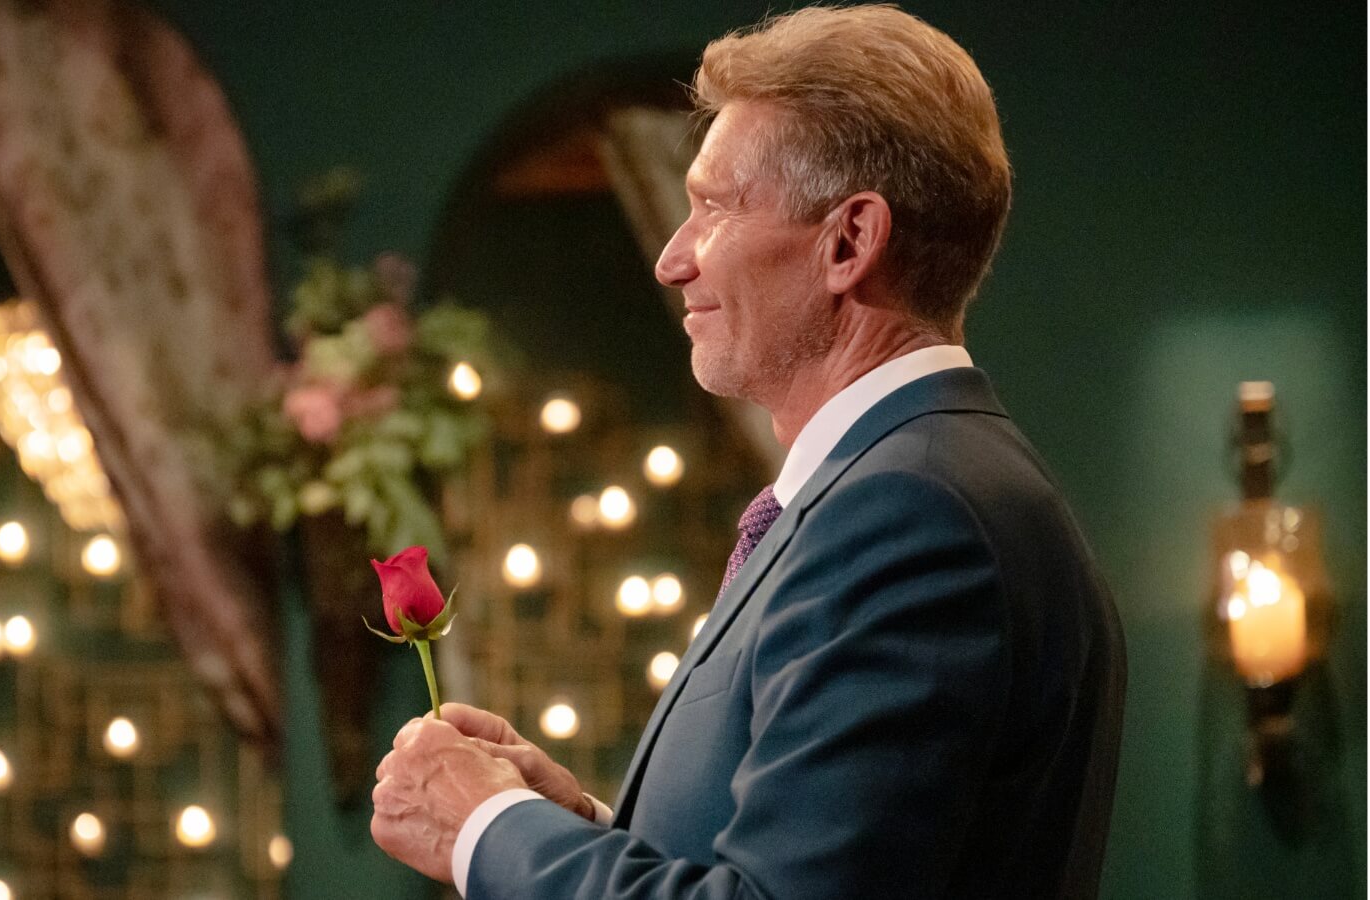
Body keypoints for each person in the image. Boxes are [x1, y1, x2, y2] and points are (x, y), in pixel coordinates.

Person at [369, 5, 1127, 898]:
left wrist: (484, 827)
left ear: (849, 240)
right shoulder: (915, 487)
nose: (672, 258)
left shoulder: (911, 516)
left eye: (714, 208)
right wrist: (568, 827)